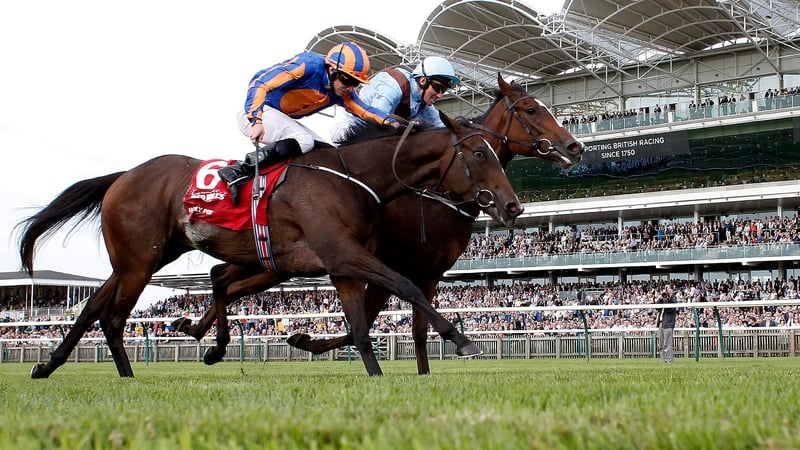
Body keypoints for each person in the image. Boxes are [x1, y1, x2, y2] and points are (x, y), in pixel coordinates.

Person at [218, 42, 398, 203]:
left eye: (356, 83)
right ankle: (239, 170)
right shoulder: (308, 65)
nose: (350, 87)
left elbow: (365, 110)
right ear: (332, 69)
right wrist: (256, 120)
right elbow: (259, 83)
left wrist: (393, 123)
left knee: (328, 152)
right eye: (347, 80)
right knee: (305, 140)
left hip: (279, 118)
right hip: (256, 112)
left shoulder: (342, 93)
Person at [329, 56, 460, 145]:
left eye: (444, 91)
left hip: (371, 136)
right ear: (423, 80)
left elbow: (444, 127)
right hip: (348, 126)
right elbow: (376, 124)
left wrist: (467, 126)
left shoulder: (423, 104)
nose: (440, 95)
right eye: (438, 88)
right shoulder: (393, 86)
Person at [656, 287, 678, 363]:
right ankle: (662, 360)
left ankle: (668, 360)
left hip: (668, 323)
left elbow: (670, 308)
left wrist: (670, 296)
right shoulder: (662, 299)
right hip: (661, 323)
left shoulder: (673, 298)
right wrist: (660, 298)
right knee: (661, 344)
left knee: (667, 343)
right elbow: (657, 307)